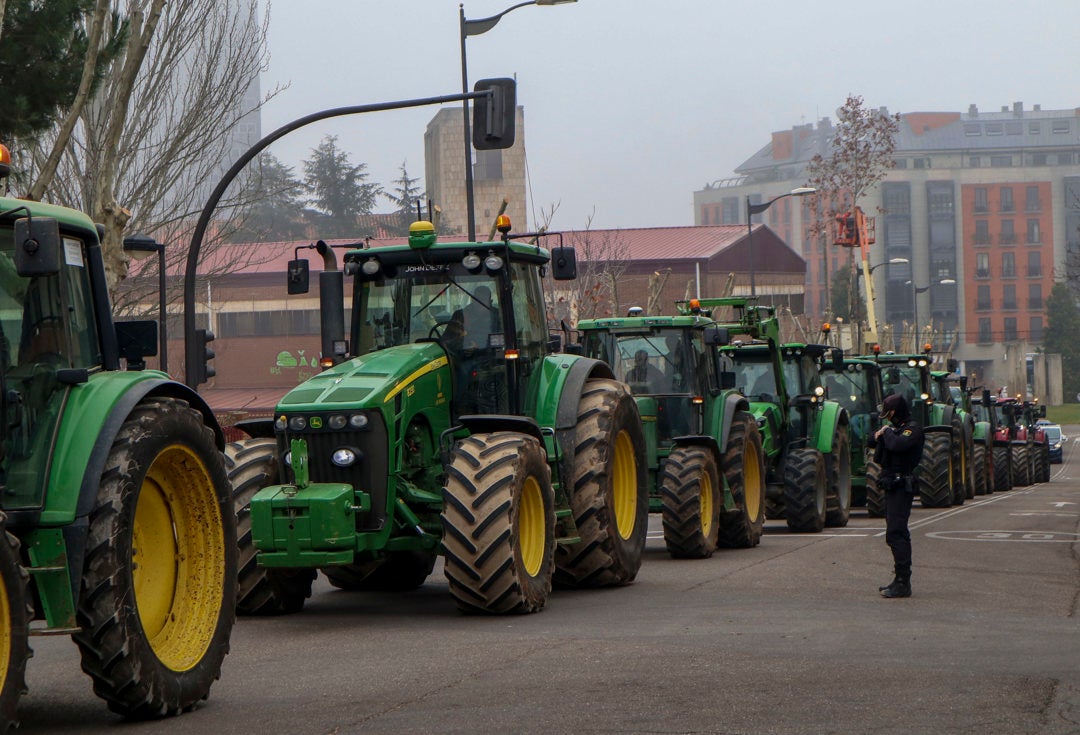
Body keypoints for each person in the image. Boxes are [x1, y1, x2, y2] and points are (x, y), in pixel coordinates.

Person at [867, 393, 925, 598]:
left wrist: (887, 433)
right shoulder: (895, 430)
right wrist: (879, 434)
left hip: (902, 484)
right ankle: (898, 578)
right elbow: (872, 441)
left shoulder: (912, 429)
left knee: (897, 533)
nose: (887, 418)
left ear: (897, 411)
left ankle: (903, 582)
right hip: (891, 484)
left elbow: (897, 445)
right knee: (894, 533)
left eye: (889, 414)